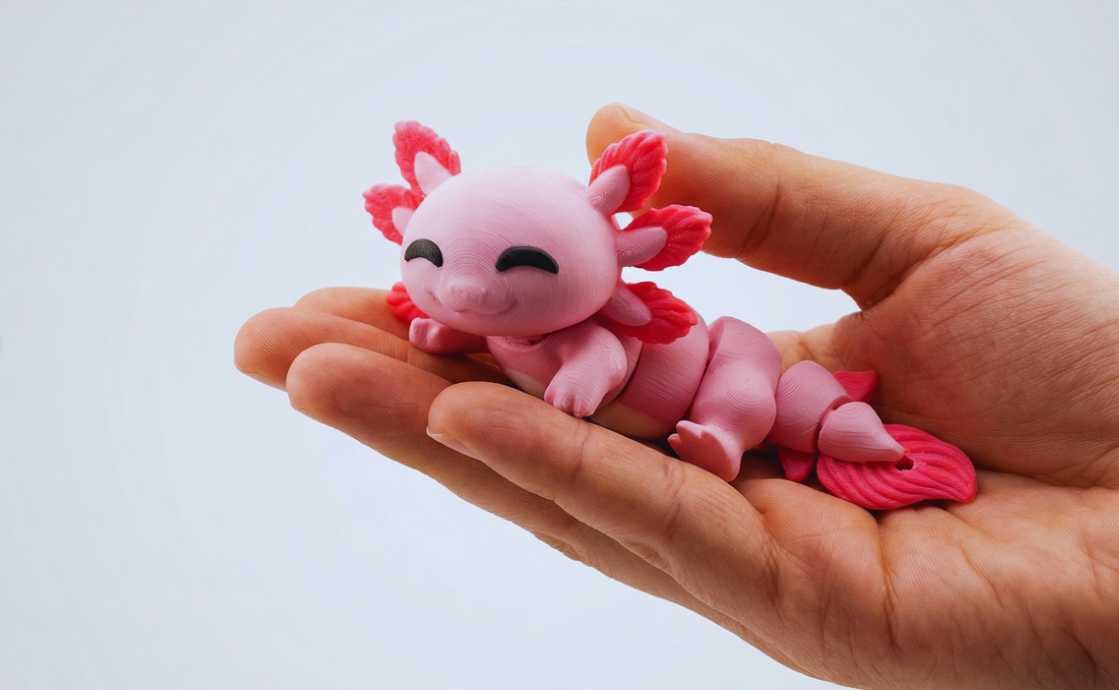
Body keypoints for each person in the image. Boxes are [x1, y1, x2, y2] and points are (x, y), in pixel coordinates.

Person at [234, 103, 1119, 689]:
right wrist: (441, 328)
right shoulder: (483, 322)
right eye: (432, 265)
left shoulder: (596, 328)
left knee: (740, 387)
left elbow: (603, 358)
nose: (466, 291)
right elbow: (455, 321)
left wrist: (585, 377)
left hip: (714, 372)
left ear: (604, 249)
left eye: (520, 266)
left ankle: (735, 443)